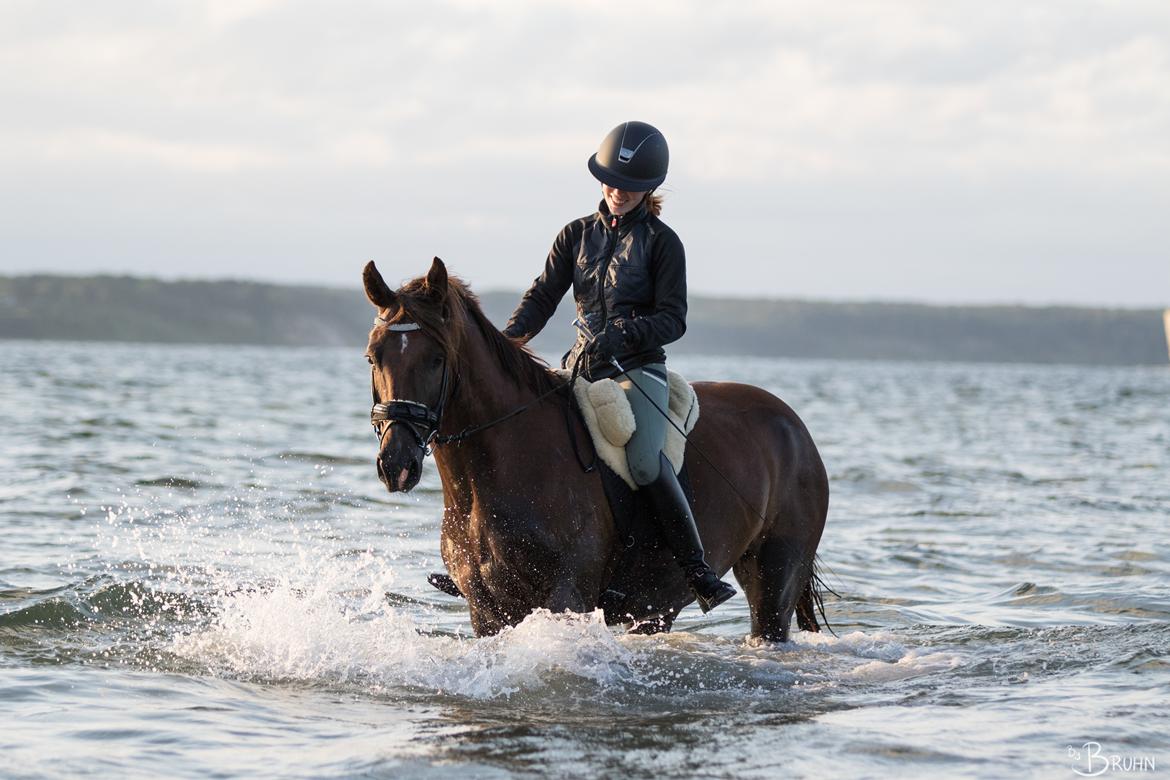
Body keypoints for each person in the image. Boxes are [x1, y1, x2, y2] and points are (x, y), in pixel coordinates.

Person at [502, 121, 737, 613]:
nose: (618, 191)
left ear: (649, 189)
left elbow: (673, 319)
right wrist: (507, 342)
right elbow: (542, 297)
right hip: (580, 368)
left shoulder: (662, 243)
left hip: (637, 369)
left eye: (630, 185)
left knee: (644, 460)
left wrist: (624, 334)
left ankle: (696, 569)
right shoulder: (575, 235)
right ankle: (492, 555)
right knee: (523, 436)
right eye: (611, 181)